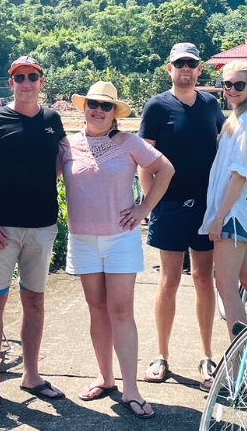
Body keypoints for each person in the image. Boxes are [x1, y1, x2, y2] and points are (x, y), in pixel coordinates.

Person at [62, 81, 175, 420]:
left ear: (115, 113)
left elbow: (165, 170)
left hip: (121, 240)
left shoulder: (129, 142)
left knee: (122, 311)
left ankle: (131, 389)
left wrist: (144, 208)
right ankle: (105, 377)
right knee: (97, 309)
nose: (98, 110)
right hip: (82, 240)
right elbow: (38, 175)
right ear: (84, 107)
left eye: (106, 106)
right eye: (93, 104)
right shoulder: (66, 145)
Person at [0, 56, 67, 411]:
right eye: (20, 77)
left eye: (32, 76)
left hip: (42, 227)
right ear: (10, 83)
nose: (27, 83)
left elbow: (63, 159)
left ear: (42, 81)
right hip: (1, 228)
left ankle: (31, 375)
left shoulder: (52, 120)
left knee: (35, 301)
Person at [138, 43, 225, 391]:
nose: (185, 68)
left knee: (204, 279)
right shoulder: (157, 106)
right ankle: (161, 354)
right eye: (179, 64)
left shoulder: (211, 105)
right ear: (169, 68)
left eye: (190, 63)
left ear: (199, 69)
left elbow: (227, 145)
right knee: (169, 279)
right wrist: (151, 203)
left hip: (206, 207)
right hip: (169, 207)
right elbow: (145, 159)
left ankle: (206, 355)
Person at [202, 61, 247, 344]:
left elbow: (239, 176)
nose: (231, 89)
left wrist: (218, 217)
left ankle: (238, 357)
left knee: (226, 288)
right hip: (238, 213)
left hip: (233, 215)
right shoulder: (239, 118)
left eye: (238, 84)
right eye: (226, 84)